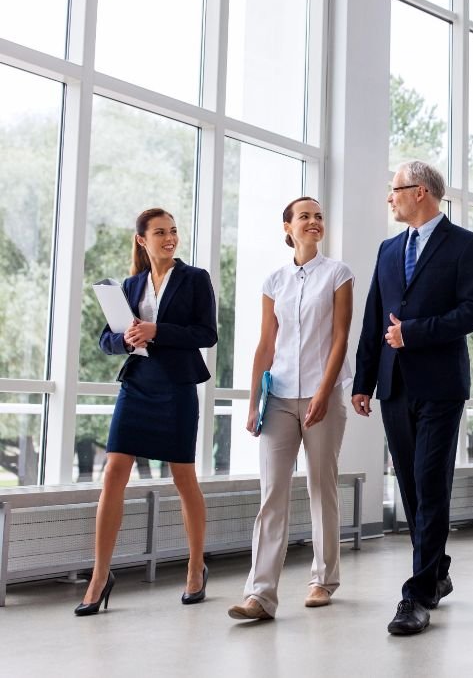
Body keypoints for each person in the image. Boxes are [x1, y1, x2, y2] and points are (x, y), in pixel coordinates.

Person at [352, 160, 473, 635]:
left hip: (441, 385)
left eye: (395, 190)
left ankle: (417, 595)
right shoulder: (389, 250)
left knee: (430, 482)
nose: (389, 198)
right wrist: (362, 382)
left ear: (421, 192)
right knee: (410, 485)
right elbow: (374, 317)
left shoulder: (467, 245)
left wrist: (415, 333)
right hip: (393, 386)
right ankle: (437, 570)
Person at [76, 208, 217, 616]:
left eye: (173, 231)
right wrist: (127, 337)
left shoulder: (195, 279)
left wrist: (157, 331)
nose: (169, 238)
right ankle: (100, 576)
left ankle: (195, 568)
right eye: (160, 232)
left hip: (175, 387)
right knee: (113, 471)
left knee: (182, 475)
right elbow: (106, 340)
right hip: (137, 384)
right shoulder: (130, 284)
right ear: (142, 240)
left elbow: (207, 333)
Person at [228, 197, 354, 621]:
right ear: (288, 227)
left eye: (319, 216)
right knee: (272, 495)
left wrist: (323, 392)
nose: (314, 221)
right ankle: (260, 595)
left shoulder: (338, 274)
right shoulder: (274, 281)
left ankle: (323, 579)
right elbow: (266, 343)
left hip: (324, 395)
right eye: (305, 217)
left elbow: (340, 338)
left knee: (322, 487)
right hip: (278, 396)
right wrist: (252, 402)